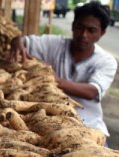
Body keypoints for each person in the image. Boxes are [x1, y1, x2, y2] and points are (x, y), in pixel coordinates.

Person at [8, 1, 118, 137]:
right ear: (73, 26)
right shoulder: (56, 44)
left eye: (91, 30)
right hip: (49, 119)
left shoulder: (106, 61)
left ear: (102, 33)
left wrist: (56, 80)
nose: (84, 34)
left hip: (89, 126)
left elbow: (93, 91)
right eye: (79, 27)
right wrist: (18, 42)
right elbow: (23, 40)